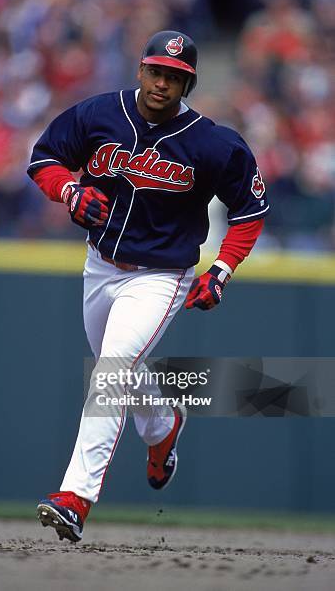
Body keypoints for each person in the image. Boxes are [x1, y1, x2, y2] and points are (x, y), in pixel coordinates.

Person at [27, 30, 269, 543]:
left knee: (112, 371)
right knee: (116, 370)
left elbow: (250, 211)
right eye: (157, 71)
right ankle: (162, 428)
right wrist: (69, 190)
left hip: (161, 277)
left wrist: (221, 270)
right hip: (100, 265)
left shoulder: (214, 143)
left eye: (176, 77)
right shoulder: (97, 113)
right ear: (140, 70)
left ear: (190, 83)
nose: (163, 83)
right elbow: (44, 158)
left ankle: (76, 498)